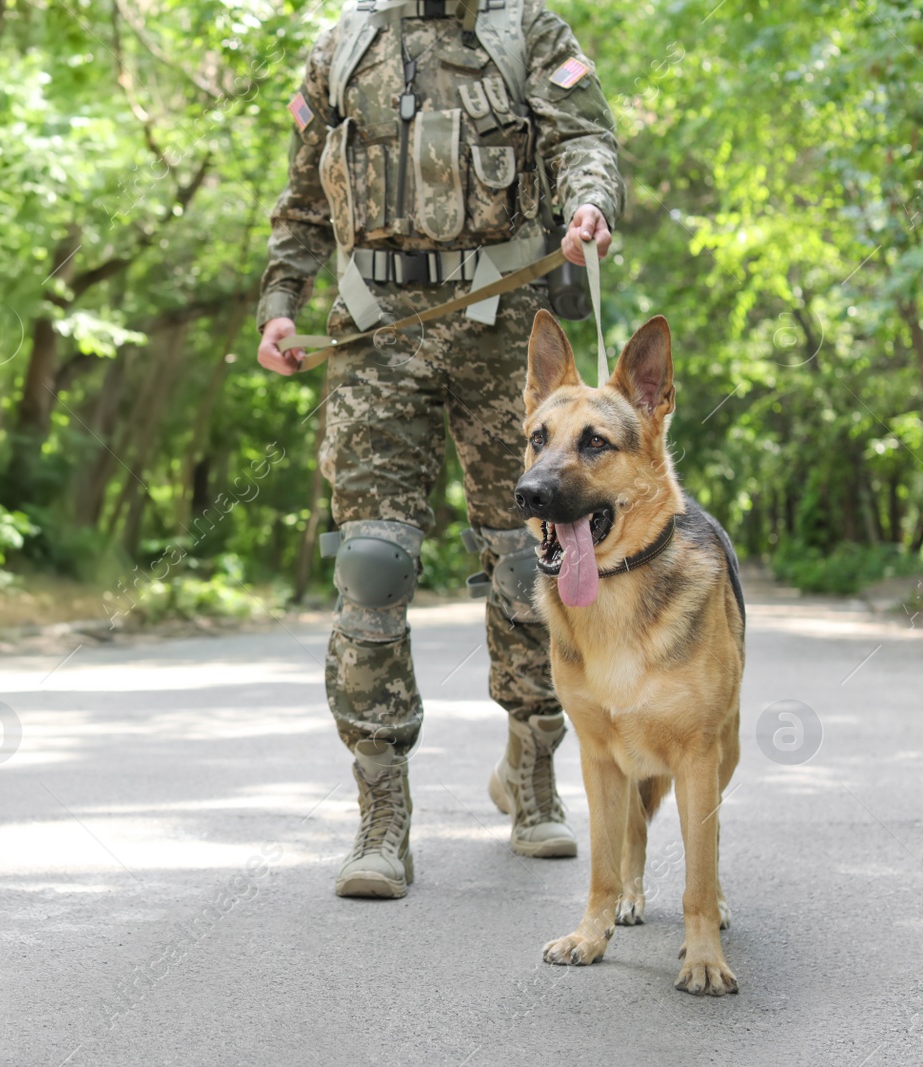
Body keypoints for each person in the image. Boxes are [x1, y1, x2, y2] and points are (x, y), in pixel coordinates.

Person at [254, 0, 622, 898]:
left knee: (525, 558)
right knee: (373, 564)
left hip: (507, 332)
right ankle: (383, 814)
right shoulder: (344, 45)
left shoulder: (526, 30)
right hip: (376, 331)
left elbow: (587, 137)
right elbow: (303, 198)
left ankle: (533, 768)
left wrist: (587, 205)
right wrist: (280, 301)